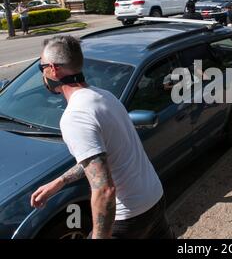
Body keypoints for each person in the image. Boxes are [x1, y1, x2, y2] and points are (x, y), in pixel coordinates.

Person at [30, 36, 173, 239]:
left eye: (41, 67)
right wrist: (61, 181)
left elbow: (104, 190)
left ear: (53, 69)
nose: (42, 74)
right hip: (154, 198)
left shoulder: (75, 117)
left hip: (128, 217)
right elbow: (102, 156)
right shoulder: (104, 96)